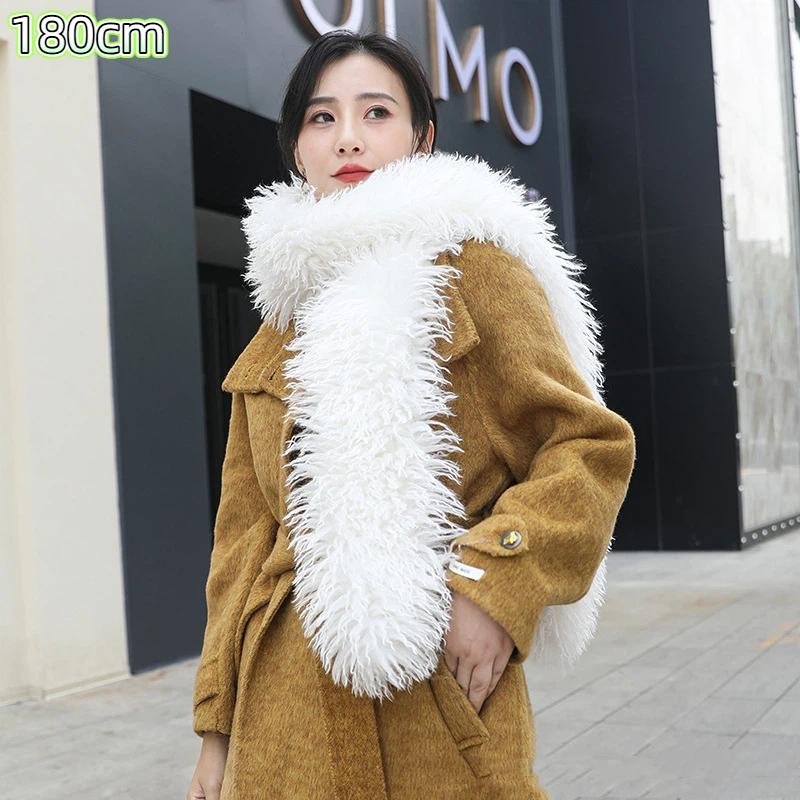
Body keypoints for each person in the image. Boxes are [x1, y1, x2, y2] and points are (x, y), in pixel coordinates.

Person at [187, 29, 636, 800]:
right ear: (296, 148)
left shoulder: (474, 272)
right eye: (322, 117)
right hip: (280, 725)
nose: (348, 137)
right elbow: (241, 543)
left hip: (431, 704)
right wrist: (216, 733)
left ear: (421, 138)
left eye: (376, 112)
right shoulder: (280, 323)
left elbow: (587, 449)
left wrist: (493, 583)